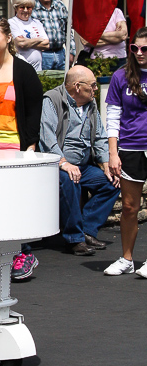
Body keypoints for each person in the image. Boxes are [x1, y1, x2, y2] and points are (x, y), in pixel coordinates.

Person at [0, 16, 44, 281]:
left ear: (8, 37)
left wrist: (31, 143)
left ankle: (24, 255)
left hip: (15, 150)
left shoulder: (24, 72)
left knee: (15, 206)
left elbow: (35, 110)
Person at [40, 66, 120, 257]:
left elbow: (100, 137)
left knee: (113, 182)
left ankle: (87, 230)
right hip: (58, 164)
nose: (95, 89)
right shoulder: (52, 100)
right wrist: (64, 162)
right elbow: (47, 136)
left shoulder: (90, 104)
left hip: (83, 164)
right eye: (92, 85)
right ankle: (74, 238)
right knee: (70, 180)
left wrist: (105, 163)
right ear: (77, 86)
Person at [104, 28, 147, 276]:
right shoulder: (121, 76)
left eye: (144, 48)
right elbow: (112, 116)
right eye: (134, 48)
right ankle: (127, 259)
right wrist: (112, 152)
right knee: (130, 207)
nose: (139, 53)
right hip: (130, 147)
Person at [32, 0, 75, 70]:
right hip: (42, 55)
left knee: (64, 82)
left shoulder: (60, 6)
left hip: (61, 54)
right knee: (45, 83)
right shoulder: (31, 7)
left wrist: (71, 52)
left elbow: (68, 31)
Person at [9, 0, 49, 71]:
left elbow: (46, 44)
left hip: (38, 69)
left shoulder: (37, 23)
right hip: (20, 68)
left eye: (28, 7)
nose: (25, 10)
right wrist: (39, 39)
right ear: (16, 8)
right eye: (22, 7)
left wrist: (27, 43)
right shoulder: (12, 22)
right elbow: (21, 43)